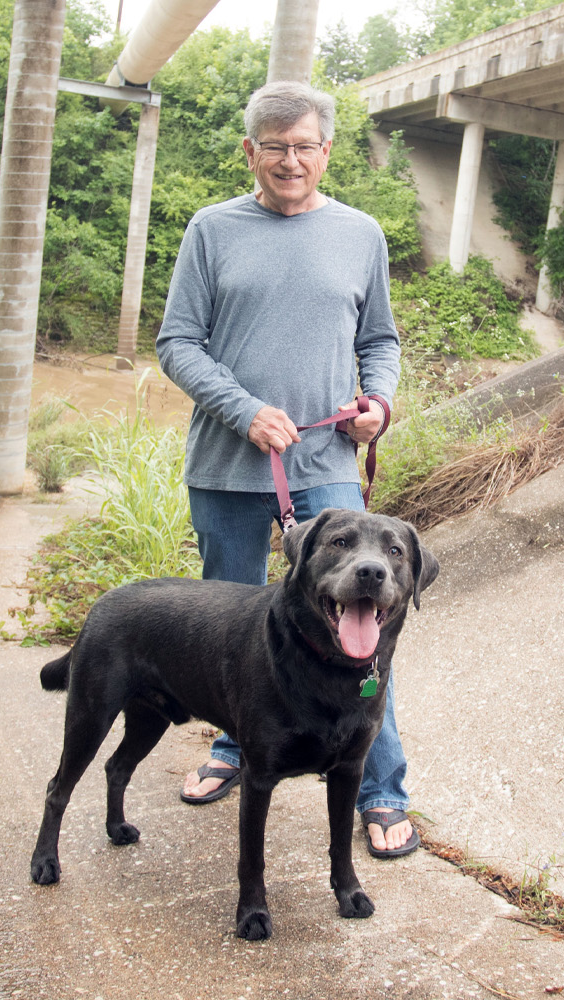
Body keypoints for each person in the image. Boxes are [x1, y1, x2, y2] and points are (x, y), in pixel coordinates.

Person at [153, 80, 418, 859]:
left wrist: (379, 403)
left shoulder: (361, 233)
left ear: (326, 152)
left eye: (304, 147)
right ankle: (234, 748)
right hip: (229, 471)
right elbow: (178, 343)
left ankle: (380, 790)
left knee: (366, 632)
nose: (290, 161)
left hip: (329, 469)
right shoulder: (211, 230)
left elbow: (382, 341)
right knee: (230, 634)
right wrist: (243, 409)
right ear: (251, 152)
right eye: (275, 147)